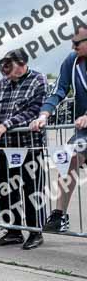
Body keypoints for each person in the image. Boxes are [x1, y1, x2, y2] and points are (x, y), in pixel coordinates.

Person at [0, 48, 48, 250]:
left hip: (29, 147)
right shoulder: (0, 85)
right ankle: (13, 231)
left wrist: (5, 124)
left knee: (32, 190)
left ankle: (35, 232)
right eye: (2, 64)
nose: (3, 68)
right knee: (7, 191)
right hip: (6, 149)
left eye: (8, 64)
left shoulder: (38, 80)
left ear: (21, 62)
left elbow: (34, 110)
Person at [31, 27, 87, 233]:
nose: (72, 46)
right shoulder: (71, 61)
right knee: (68, 159)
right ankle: (59, 215)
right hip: (84, 131)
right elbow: (59, 90)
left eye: (77, 43)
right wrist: (44, 114)